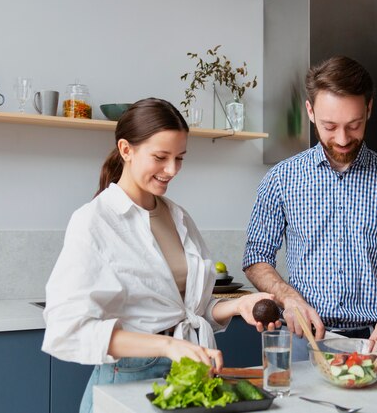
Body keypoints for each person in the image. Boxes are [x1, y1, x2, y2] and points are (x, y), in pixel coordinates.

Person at [42, 98, 278, 413]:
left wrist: (239, 305)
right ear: (126, 150)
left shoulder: (178, 216)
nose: (172, 170)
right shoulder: (95, 221)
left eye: (179, 158)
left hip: (190, 375)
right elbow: (68, 329)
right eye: (160, 157)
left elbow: (189, 310)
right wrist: (168, 346)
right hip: (129, 378)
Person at [243, 56, 377, 361]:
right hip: (304, 339)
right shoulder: (281, 179)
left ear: (369, 109)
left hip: (374, 341)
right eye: (330, 126)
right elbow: (256, 258)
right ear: (310, 111)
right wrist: (288, 298)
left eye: (354, 125)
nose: (342, 139)